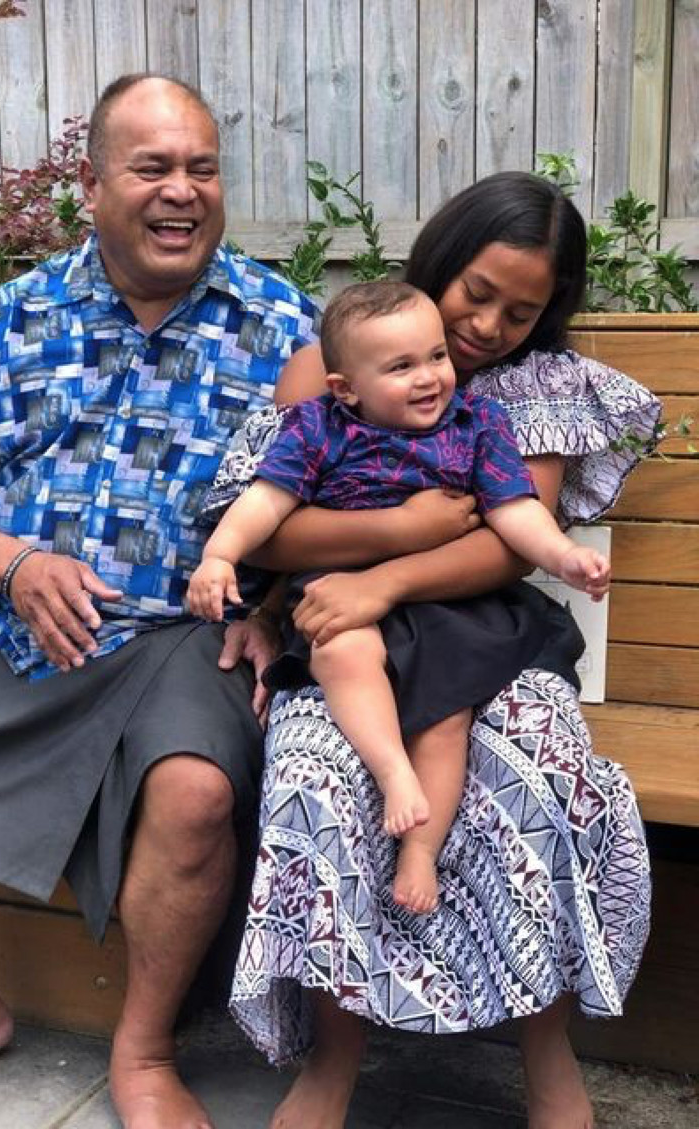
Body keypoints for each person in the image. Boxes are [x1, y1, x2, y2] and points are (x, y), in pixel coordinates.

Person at [0, 74, 319, 1129]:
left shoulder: (286, 326)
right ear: (93, 184)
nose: (182, 191)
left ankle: (144, 1051)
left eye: (202, 168)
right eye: (153, 167)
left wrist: (277, 603)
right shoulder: (9, 322)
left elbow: (354, 482)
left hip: (188, 638)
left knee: (197, 789)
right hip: (12, 627)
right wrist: (15, 565)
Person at [212, 172, 660, 1129]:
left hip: (484, 631)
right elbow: (273, 530)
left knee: (539, 767)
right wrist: (377, 547)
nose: (490, 325)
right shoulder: (324, 373)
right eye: (477, 292)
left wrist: (384, 576)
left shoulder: (540, 390)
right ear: (442, 262)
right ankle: (333, 1061)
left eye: (522, 309)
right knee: (318, 777)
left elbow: (508, 534)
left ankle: (549, 1058)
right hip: (344, 631)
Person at [189, 280, 610, 915]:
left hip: (447, 608)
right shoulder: (315, 429)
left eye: (436, 357)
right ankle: (392, 770)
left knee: (446, 713)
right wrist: (219, 557)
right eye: (401, 367)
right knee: (338, 654)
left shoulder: (476, 425)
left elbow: (515, 510)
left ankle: (419, 851)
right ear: (345, 388)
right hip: (342, 594)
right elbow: (264, 504)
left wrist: (564, 556)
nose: (430, 378)